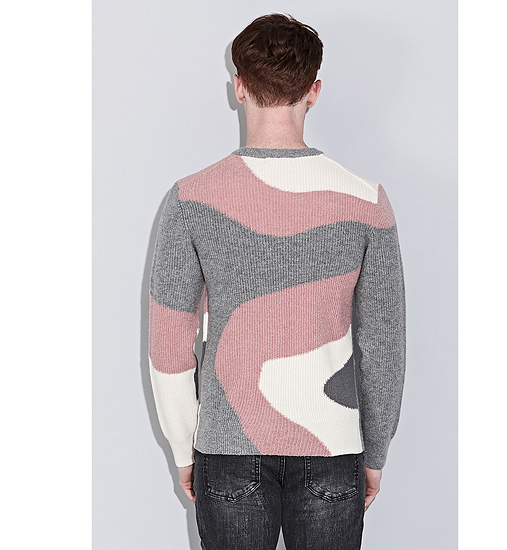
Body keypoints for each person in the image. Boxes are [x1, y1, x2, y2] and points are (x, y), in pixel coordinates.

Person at [148, 12, 406, 550]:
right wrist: (375, 451)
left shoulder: (190, 199)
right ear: (314, 91)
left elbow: (169, 346)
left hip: (227, 449)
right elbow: (383, 344)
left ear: (239, 86)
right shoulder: (367, 200)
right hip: (332, 450)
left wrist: (183, 446)